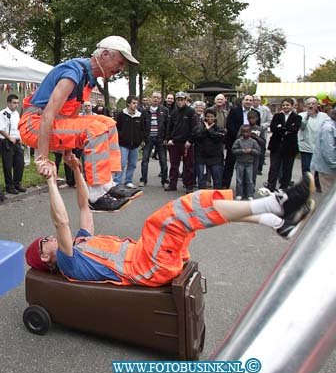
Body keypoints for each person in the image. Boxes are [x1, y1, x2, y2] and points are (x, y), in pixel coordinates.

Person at [25, 154, 316, 285]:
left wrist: (76, 169)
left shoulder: (79, 244)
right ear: (46, 260)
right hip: (147, 266)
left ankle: (278, 221)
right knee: (171, 215)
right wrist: (51, 182)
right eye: (43, 245)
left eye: (44, 239)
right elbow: (60, 223)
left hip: (150, 258)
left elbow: (85, 208)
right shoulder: (67, 261)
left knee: (194, 209)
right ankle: (277, 205)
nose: (48, 240)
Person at [18, 35, 140, 212]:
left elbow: (71, 118)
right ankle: (96, 195)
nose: (121, 69)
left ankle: (108, 184)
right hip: (33, 124)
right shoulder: (73, 72)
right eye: (120, 62)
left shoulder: (88, 78)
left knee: (108, 124)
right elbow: (47, 115)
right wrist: (42, 158)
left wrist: (68, 152)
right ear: (105, 54)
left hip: (53, 123)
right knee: (95, 129)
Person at [311, 106, 336, 194]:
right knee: (329, 194)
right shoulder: (328, 128)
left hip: (333, 167)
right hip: (328, 168)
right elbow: (327, 150)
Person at [266, 97, 302, 192]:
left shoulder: (297, 117)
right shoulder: (277, 116)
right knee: (274, 168)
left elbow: (294, 130)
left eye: (287, 105)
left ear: (292, 106)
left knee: (287, 168)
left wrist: (281, 127)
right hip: (276, 146)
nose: (285, 107)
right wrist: (285, 129)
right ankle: (270, 187)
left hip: (290, 147)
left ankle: (284, 188)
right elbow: (273, 128)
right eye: (284, 105)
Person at [165, 91, 197, 192]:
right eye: (178, 100)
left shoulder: (191, 112)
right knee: (174, 165)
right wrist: (169, 139)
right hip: (175, 143)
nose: (180, 102)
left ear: (185, 100)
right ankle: (172, 184)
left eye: (182, 100)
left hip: (187, 143)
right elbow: (169, 127)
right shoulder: (173, 113)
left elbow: (194, 128)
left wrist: (190, 140)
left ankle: (188, 185)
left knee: (188, 165)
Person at [0, 94, 26, 194]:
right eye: (14, 103)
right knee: (8, 165)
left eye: (17, 103)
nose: (16, 105)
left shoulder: (16, 114)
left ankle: (17, 183)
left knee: (20, 163)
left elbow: (18, 127)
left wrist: (21, 137)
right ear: (8, 103)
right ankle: (9, 186)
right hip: (7, 141)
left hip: (17, 141)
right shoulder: (3, 113)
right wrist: (9, 137)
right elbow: (0, 128)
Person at [297, 97, 328, 193]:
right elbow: (301, 127)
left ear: (317, 105)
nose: (311, 105)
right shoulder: (301, 115)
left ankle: (317, 184)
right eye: (309, 103)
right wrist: (307, 117)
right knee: (306, 167)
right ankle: (306, 185)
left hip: (319, 145)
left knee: (318, 167)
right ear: (305, 105)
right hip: (305, 144)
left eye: (313, 103)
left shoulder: (324, 116)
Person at [114, 95, 146, 188]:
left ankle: (128, 181)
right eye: (133, 103)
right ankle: (117, 181)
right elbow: (116, 127)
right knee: (122, 163)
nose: (135, 105)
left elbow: (142, 129)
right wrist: (120, 137)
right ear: (128, 104)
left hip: (135, 144)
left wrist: (141, 139)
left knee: (132, 164)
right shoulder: (121, 114)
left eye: (136, 103)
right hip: (123, 143)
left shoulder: (139, 115)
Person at [223, 94, 253, 188]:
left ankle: (245, 188)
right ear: (243, 101)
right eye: (246, 99)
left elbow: (257, 127)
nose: (248, 101)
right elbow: (230, 125)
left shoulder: (255, 113)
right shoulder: (234, 111)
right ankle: (225, 185)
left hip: (249, 143)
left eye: (250, 100)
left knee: (246, 166)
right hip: (234, 141)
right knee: (229, 164)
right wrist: (239, 136)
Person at [140, 92, 169, 187]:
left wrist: (166, 138)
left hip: (160, 139)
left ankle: (164, 181)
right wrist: (142, 139)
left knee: (163, 161)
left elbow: (167, 125)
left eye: (158, 97)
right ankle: (143, 180)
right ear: (151, 98)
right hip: (148, 139)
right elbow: (142, 126)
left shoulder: (165, 110)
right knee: (145, 160)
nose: (155, 99)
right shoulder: (145, 111)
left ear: (160, 99)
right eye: (154, 97)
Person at [193, 108, 225, 189]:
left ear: (215, 117)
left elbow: (219, 137)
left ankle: (217, 198)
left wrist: (210, 130)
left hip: (216, 158)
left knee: (217, 180)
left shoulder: (219, 128)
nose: (209, 118)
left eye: (211, 116)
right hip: (201, 157)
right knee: (201, 180)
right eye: (207, 116)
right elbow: (197, 136)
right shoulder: (199, 127)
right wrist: (205, 130)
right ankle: (202, 197)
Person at [232, 125, 261, 200]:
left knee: (249, 180)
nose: (245, 134)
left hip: (250, 163)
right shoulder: (238, 141)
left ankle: (250, 194)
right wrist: (241, 151)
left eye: (247, 132)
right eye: (243, 132)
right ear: (241, 133)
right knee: (239, 179)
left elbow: (258, 151)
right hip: (240, 163)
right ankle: (239, 194)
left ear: (250, 132)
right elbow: (233, 150)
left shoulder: (253, 141)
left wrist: (251, 151)